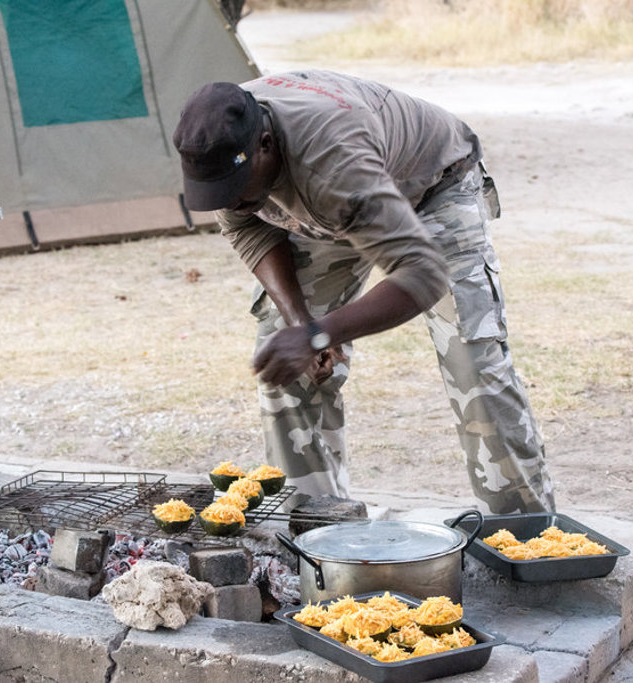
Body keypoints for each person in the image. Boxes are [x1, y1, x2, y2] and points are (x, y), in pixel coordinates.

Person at [173, 70, 555, 514]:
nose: (229, 201)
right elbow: (248, 230)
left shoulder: (333, 156)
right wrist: (300, 323)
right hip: (332, 207)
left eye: (236, 189)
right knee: (284, 353)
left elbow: (423, 274)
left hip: (432, 189)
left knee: (473, 367)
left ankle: (527, 533)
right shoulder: (215, 144)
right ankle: (316, 525)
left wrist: (318, 334)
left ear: (265, 144)